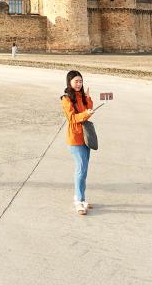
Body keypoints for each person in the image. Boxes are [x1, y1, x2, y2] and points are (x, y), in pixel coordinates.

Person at [61, 70, 94, 215]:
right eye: (76, 81)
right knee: (80, 169)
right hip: (75, 137)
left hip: (86, 137)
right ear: (69, 82)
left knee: (84, 169)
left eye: (80, 81)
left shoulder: (82, 96)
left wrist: (88, 97)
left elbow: (89, 109)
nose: (79, 84)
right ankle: (79, 201)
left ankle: (80, 196)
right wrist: (86, 114)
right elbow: (72, 118)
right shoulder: (66, 98)